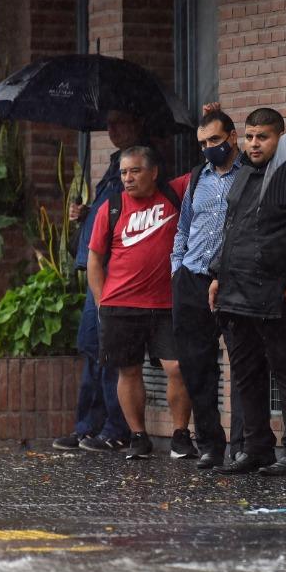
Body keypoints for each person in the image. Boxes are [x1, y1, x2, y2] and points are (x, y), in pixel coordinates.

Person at [208, 108, 286, 476]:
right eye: (248, 137)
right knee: (246, 372)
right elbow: (232, 229)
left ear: (281, 136)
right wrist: (217, 274)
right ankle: (256, 447)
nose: (253, 144)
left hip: (280, 294)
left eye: (262, 137)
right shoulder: (244, 172)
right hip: (237, 291)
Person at [87, 146, 193, 460]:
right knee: (128, 370)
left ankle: (181, 435)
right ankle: (138, 436)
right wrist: (101, 301)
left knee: (177, 368)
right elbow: (94, 259)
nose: (128, 179)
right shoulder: (113, 206)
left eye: (135, 171)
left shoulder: (174, 194)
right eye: (123, 172)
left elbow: (211, 161)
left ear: (154, 172)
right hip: (120, 306)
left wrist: (212, 120)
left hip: (166, 305)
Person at [51, 110, 139, 454]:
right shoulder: (115, 164)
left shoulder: (137, 167)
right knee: (92, 349)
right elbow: (109, 212)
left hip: (114, 274)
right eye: (110, 121)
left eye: (120, 121)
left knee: (109, 352)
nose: (111, 127)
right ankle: (87, 426)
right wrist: (86, 214)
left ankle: (116, 428)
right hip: (93, 267)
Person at [170, 106, 247, 469]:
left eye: (215, 139)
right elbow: (183, 227)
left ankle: (243, 446)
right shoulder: (198, 176)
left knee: (243, 363)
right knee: (197, 367)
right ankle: (210, 445)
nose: (209, 148)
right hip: (191, 278)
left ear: (233, 137)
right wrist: (176, 268)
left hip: (231, 282)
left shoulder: (249, 174)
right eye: (203, 143)